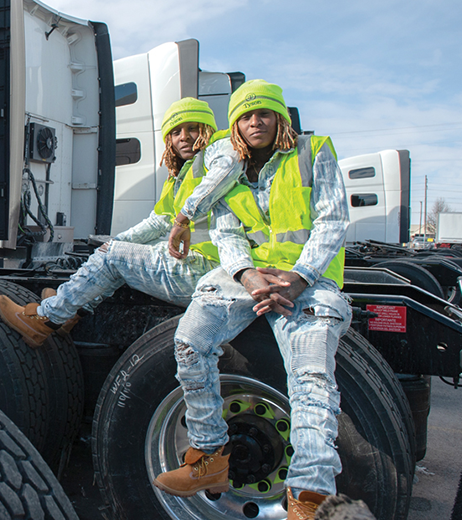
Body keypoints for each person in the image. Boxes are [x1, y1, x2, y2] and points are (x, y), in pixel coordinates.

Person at [152, 80, 350, 520]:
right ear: (234, 125)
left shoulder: (312, 152)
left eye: (263, 113)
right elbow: (226, 230)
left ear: (281, 118)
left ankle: (309, 497)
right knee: (190, 343)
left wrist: (299, 278)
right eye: (244, 115)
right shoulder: (229, 165)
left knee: (311, 380)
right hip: (247, 276)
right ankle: (209, 459)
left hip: (306, 280)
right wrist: (247, 275)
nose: (254, 122)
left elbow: (333, 219)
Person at [0, 98, 237, 347]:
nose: (184, 137)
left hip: (209, 270)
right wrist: (114, 243)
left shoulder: (219, 150)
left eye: (193, 129)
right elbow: (158, 222)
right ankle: (71, 312)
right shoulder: (180, 175)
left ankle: (44, 320)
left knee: (114, 256)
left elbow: (226, 168)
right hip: (196, 264)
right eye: (175, 132)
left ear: (207, 130)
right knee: (117, 254)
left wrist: (184, 216)